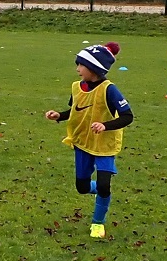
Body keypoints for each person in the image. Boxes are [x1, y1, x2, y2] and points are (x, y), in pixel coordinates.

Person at [45, 42, 133, 239]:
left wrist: (105, 126)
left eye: (81, 65)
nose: (77, 69)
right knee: (82, 187)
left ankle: (97, 222)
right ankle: (100, 189)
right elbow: (75, 110)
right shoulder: (77, 87)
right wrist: (59, 115)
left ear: (93, 68)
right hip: (83, 143)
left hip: (104, 146)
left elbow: (128, 116)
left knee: (104, 185)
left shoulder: (109, 90)